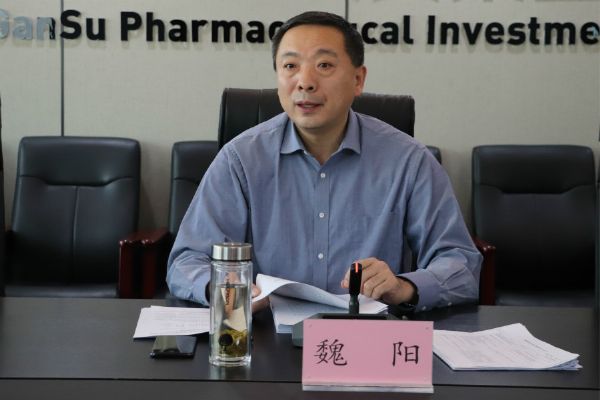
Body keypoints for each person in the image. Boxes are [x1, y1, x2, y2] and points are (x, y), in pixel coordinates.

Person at [167, 11, 481, 312]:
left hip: (369, 337)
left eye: (324, 65)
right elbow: (187, 262)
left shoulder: (408, 160)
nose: (305, 82)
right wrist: (230, 291)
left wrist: (403, 286)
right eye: (290, 66)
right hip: (266, 335)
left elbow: (461, 265)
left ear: (358, 79)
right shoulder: (240, 159)